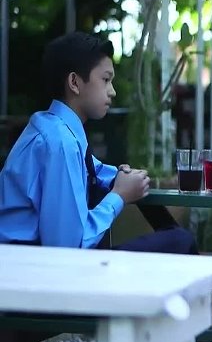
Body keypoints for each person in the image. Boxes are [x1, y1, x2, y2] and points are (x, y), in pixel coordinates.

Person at [0, 31, 197, 254]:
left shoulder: (53, 128)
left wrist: (122, 177)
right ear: (74, 82)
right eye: (105, 80)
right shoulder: (60, 143)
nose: (112, 91)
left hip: (32, 261)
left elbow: (95, 171)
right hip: (33, 266)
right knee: (179, 241)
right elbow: (67, 247)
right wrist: (118, 196)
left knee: (173, 236)